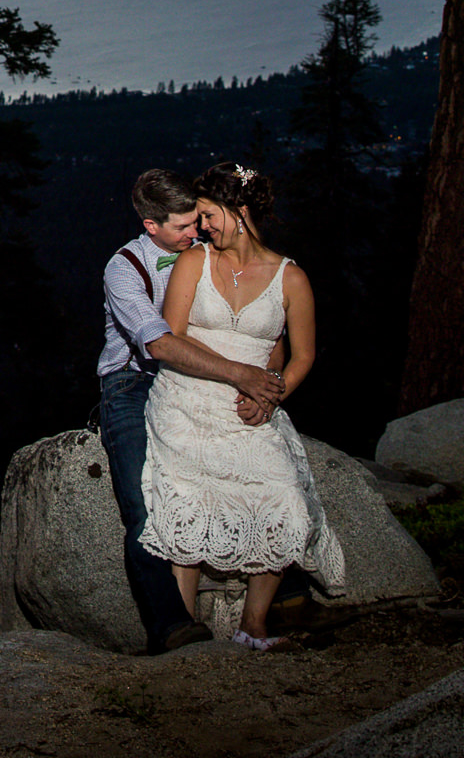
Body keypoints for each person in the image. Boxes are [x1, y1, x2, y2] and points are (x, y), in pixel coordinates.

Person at [139, 161, 347, 649]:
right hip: (187, 394)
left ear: (240, 211)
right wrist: (238, 374)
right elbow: (174, 334)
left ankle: (253, 625)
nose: (202, 227)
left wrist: (272, 396)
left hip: (253, 405)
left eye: (209, 216)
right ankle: (185, 626)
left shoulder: (290, 278)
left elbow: (304, 355)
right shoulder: (194, 262)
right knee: (187, 499)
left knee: (286, 498)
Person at [97, 168, 287, 652]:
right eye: (183, 227)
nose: (195, 231)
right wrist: (240, 374)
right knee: (144, 499)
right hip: (132, 381)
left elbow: (264, 320)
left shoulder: (209, 251)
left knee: (254, 465)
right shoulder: (125, 268)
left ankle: (287, 593)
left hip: (202, 374)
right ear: (150, 227)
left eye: (197, 222)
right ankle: (171, 625)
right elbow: (158, 343)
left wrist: (260, 387)